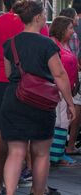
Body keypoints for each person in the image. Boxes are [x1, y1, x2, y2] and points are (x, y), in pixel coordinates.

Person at [1, 0, 76, 195]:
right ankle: (38, 192)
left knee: (15, 152)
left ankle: (9, 192)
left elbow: (9, 74)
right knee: (41, 153)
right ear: (37, 18)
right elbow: (59, 74)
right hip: (41, 103)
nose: (45, 19)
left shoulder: (10, 44)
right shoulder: (47, 44)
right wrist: (70, 102)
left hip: (14, 100)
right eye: (43, 15)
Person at [0, 0, 48, 194]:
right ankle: (38, 186)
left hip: (4, 82)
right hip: (34, 85)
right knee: (35, 136)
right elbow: (47, 54)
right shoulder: (38, 24)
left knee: (1, 132)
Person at [47, 16, 78, 167]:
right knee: (58, 122)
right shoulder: (53, 43)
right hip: (56, 89)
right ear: (62, 29)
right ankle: (53, 156)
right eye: (70, 28)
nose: (73, 31)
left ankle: (57, 154)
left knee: (64, 122)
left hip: (67, 89)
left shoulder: (65, 45)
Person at [66, 0, 81, 155]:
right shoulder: (74, 32)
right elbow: (76, 56)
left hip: (68, 73)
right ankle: (69, 146)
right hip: (75, 74)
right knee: (75, 108)